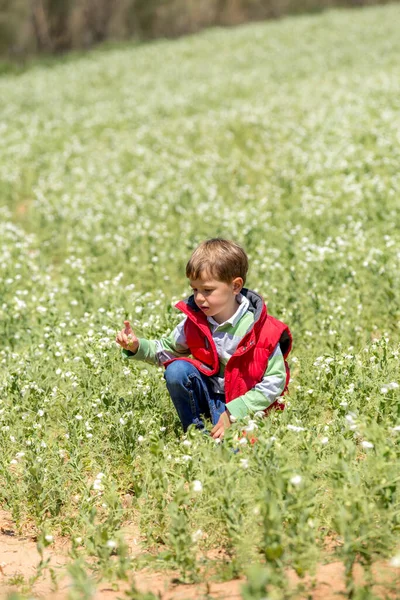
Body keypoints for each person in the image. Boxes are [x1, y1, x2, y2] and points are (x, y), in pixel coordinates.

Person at [116, 238, 292, 439]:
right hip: (212, 399)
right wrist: (137, 346)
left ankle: (221, 436)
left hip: (247, 404)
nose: (199, 298)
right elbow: (167, 350)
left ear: (235, 286)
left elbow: (275, 381)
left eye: (207, 290)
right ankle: (195, 435)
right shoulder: (195, 321)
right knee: (177, 370)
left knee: (236, 451)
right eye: (195, 289)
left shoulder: (261, 330)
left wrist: (235, 411)